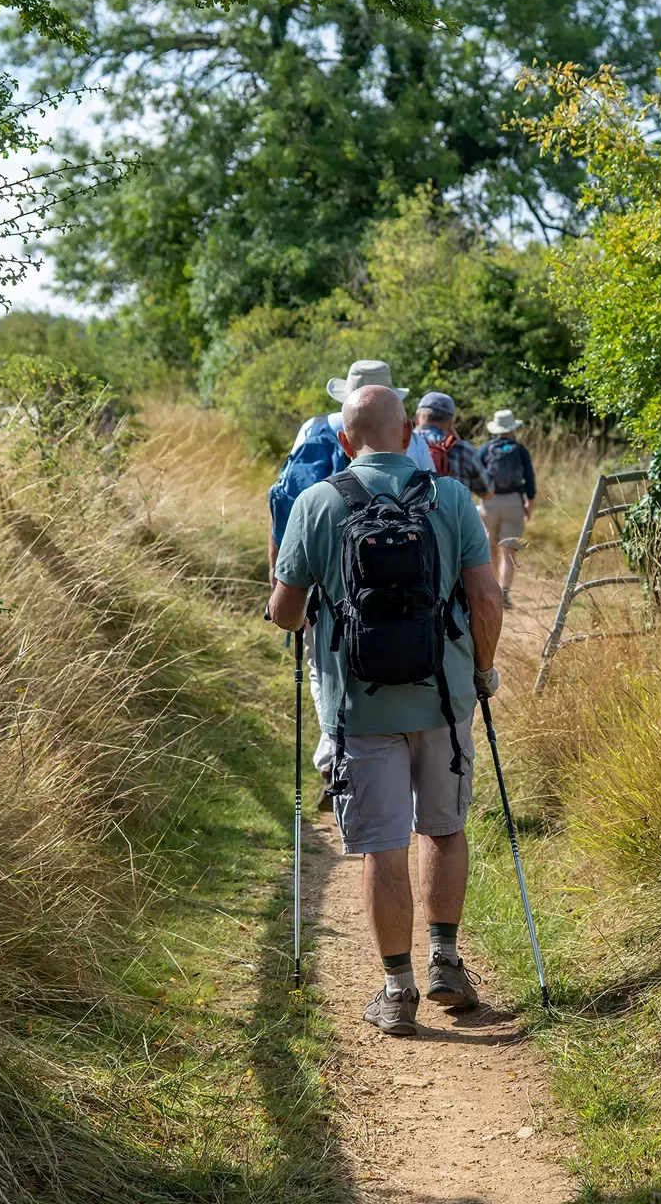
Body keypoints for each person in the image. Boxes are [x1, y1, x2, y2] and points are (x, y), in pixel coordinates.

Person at [269, 385, 504, 1036]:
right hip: (443, 695)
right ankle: (445, 961)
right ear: (410, 436)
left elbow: (285, 612)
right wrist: (481, 673)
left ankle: (396, 991)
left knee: (381, 847)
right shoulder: (452, 498)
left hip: (356, 706)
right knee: (444, 829)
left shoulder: (318, 501)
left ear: (344, 442)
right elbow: (486, 600)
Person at [267, 360, 435, 797]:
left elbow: (284, 502)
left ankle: (334, 758)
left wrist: (281, 577)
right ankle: (400, 752)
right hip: (412, 580)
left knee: (324, 667)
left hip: (323, 575)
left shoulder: (313, 431)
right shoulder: (411, 440)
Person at [478, 408, 536, 610]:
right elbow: (530, 479)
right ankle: (504, 593)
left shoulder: (486, 449)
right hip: (513, 500)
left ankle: (492, 590)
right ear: (512, 428)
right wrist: (529, 503)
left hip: (490, 501)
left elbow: (476, 474)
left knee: (490, 547)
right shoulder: (520, 450)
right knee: (508, 551)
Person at [414, 390, 494, 498]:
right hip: (452, 514)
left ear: (416, 419)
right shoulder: (463, 449)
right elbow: (487, 493)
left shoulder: (403, 443)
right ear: (451, 422)